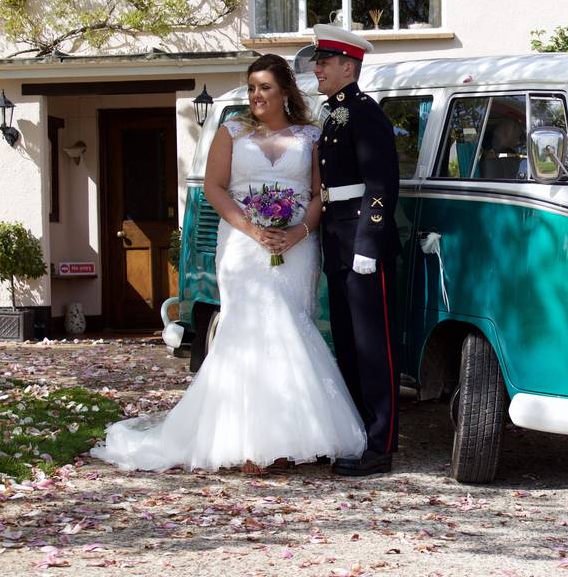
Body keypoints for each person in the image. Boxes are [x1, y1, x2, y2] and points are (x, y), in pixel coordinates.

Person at [90, 54, 366, 474]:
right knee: (250, 332)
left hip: (296, 245)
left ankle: (291, 438)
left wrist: (298, 233)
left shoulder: (311, 136)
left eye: (265, 87)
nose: (256, 95)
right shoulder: (232, 131)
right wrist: (252, 230)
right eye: (252, 87)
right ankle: (249, 444)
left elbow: (317, 194)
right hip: (241, 246)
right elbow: (217, 190)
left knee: (292, 324)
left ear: (285, 91)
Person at [310, 25, 401, 476]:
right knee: (346, 344)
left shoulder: (365, 113)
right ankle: (355, 434)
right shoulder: (332, 113)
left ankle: (380, 445)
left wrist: (369, 240)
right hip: (337, 237)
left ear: (349, 66)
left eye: (324, 61)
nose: (316, 68)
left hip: (362, 242)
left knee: (372, 348)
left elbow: (381, 185)